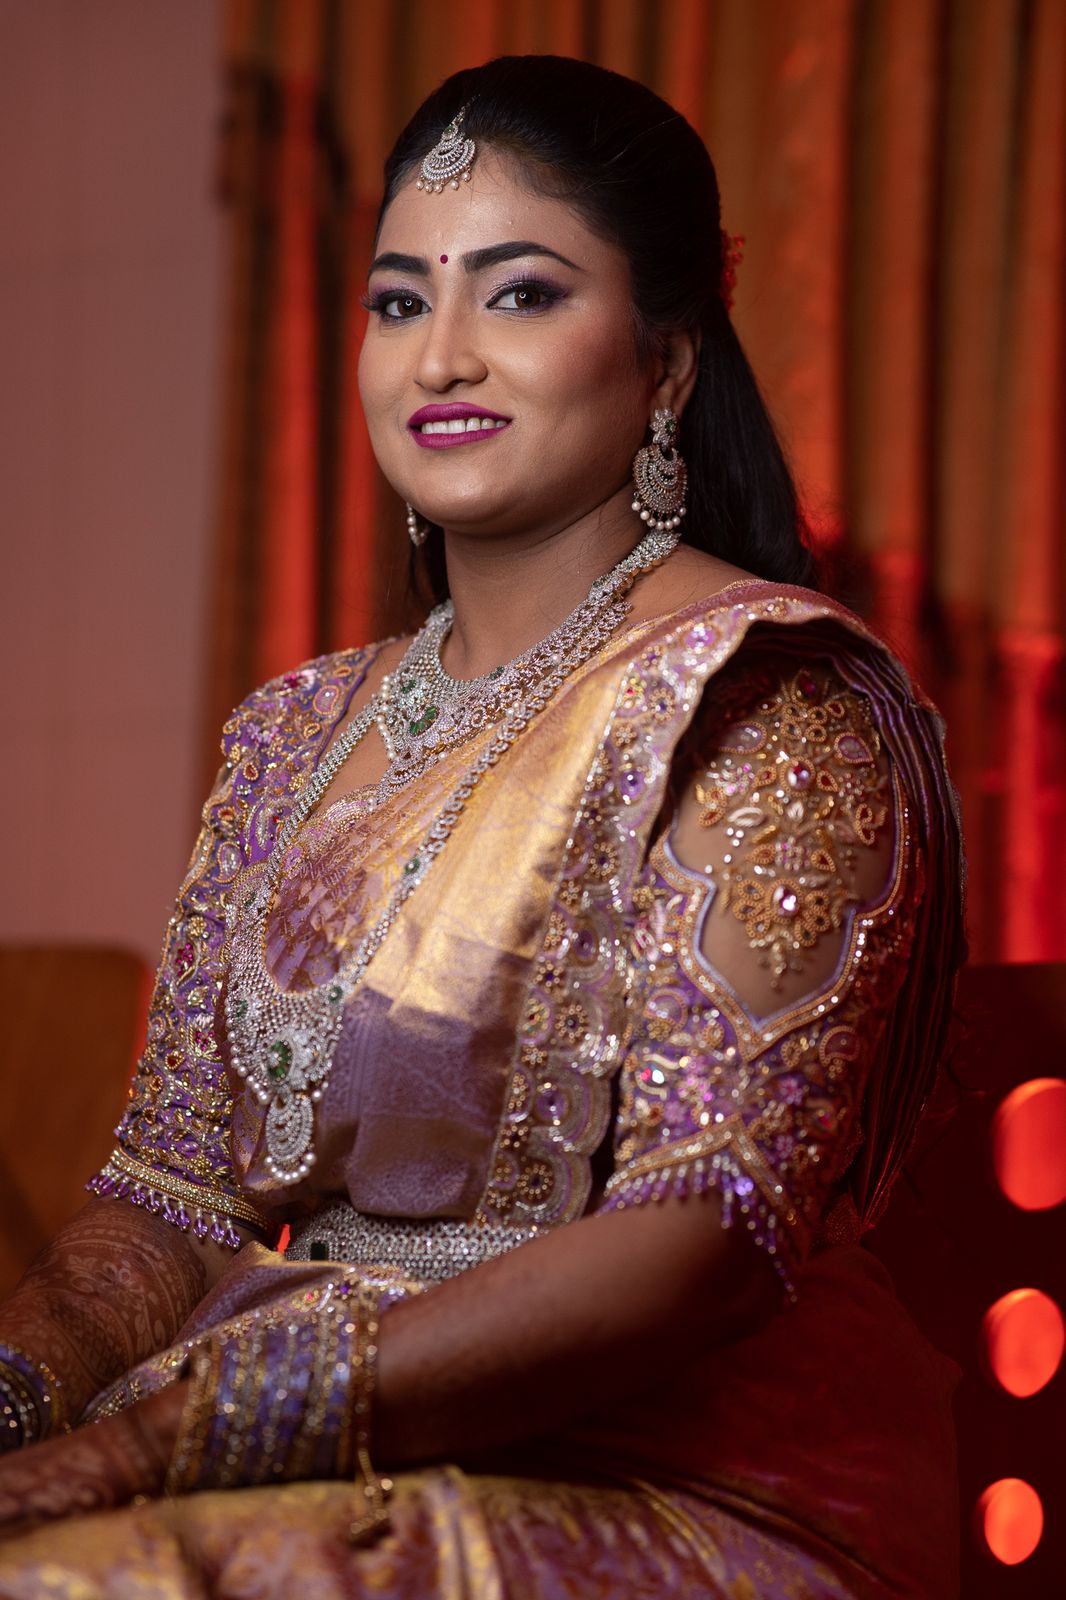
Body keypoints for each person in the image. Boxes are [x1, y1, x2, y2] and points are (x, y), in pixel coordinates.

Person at [0, 55, 965, 1598]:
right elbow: (170, 1194)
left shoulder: (766, 701)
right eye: (399, 302)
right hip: (292, 1440)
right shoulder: (291, 737)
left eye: (518, 294)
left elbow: (703, 1236)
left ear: (663, 363)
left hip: (671, 1474)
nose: (440, 354)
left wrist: (152, 1448)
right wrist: (21, 1400)